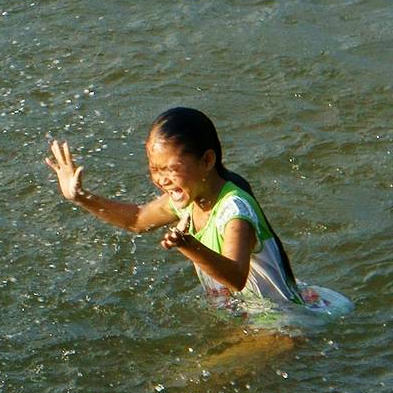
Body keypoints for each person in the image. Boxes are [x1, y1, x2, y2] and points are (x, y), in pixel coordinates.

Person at [45, 107, 304, 307]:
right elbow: (136, 219)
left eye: (171, 169)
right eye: (154, 169)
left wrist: (188, 245)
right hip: (249, 316)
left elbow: (236, 277)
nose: (162, 179)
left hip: (279, 323)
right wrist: (80, 197)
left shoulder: (235, 211)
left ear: (207, 161)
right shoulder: (189, 199)